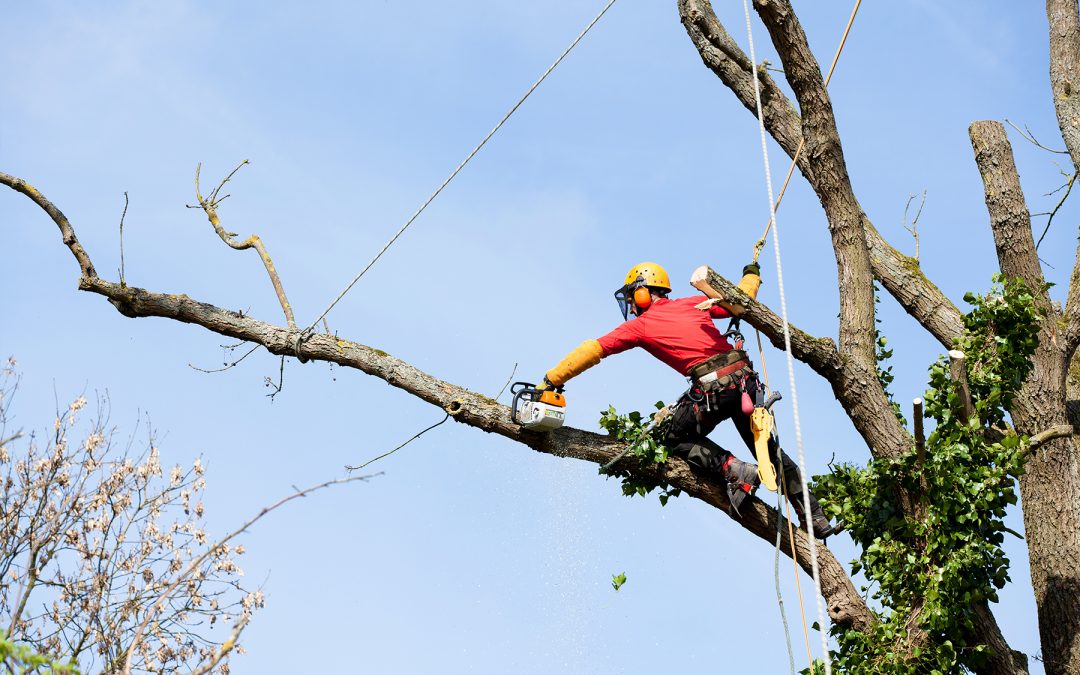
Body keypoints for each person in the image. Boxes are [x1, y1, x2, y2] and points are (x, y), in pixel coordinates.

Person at [539, 261, 837, 539]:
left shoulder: (640, 326)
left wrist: (553, 379)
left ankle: (734, 469)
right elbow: (742, 300)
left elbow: (594, 349)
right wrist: (752, 273)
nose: (631, 305)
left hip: (715, 389)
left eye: (632, 297)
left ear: (643, 292)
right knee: (768, 451)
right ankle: (815, 516)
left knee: (672, 437)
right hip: (743, 383)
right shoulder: (693, 303)